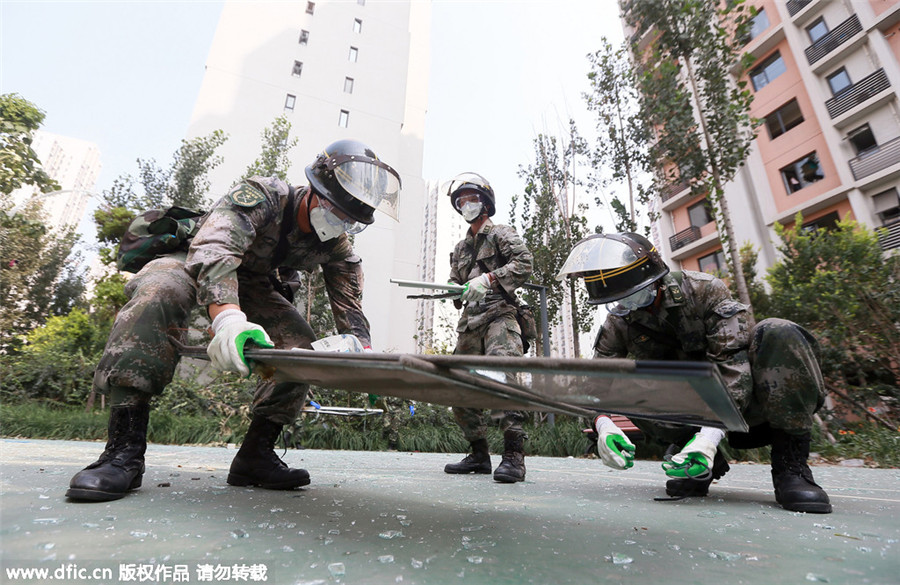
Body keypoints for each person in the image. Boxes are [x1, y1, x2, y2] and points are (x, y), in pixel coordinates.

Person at [66, 139, 401, 502]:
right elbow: (215, 249)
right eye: (337, 211)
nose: (341, 223)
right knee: (159, 291)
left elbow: (349, 306)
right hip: (193, 257)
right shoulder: (264, 195)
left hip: (252, 280)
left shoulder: (336, 244)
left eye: (351, 220)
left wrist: (364, 354)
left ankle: (255, 456)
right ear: (315, 190)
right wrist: (227, 317)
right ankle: (122, 453)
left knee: (299, 344)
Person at [557, 232, 832, 514]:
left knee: (778, 331)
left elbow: (733, 368)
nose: (626, 306)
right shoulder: (620, 321)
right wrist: (603, 424)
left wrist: (710, 437)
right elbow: (595, 382)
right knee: (633, 379)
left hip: (752, 401)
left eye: (630, 295)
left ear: (654, 280)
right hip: (691, 411)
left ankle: (791, 467)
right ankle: (694, 462)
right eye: (619, 300)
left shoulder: (703, 291)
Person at [441, 172, 534, 483]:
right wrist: (455, 290)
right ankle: (479, 453)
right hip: (471, 322)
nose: (466, 204)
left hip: (500, 315)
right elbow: (456, 283)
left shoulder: (502, 233)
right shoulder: (459, 248)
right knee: (457, 383)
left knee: (503, 377)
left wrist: (489, 278)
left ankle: (513, 457)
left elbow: (524, 263)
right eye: (461, 201)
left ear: (485, 203)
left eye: (471, 199)